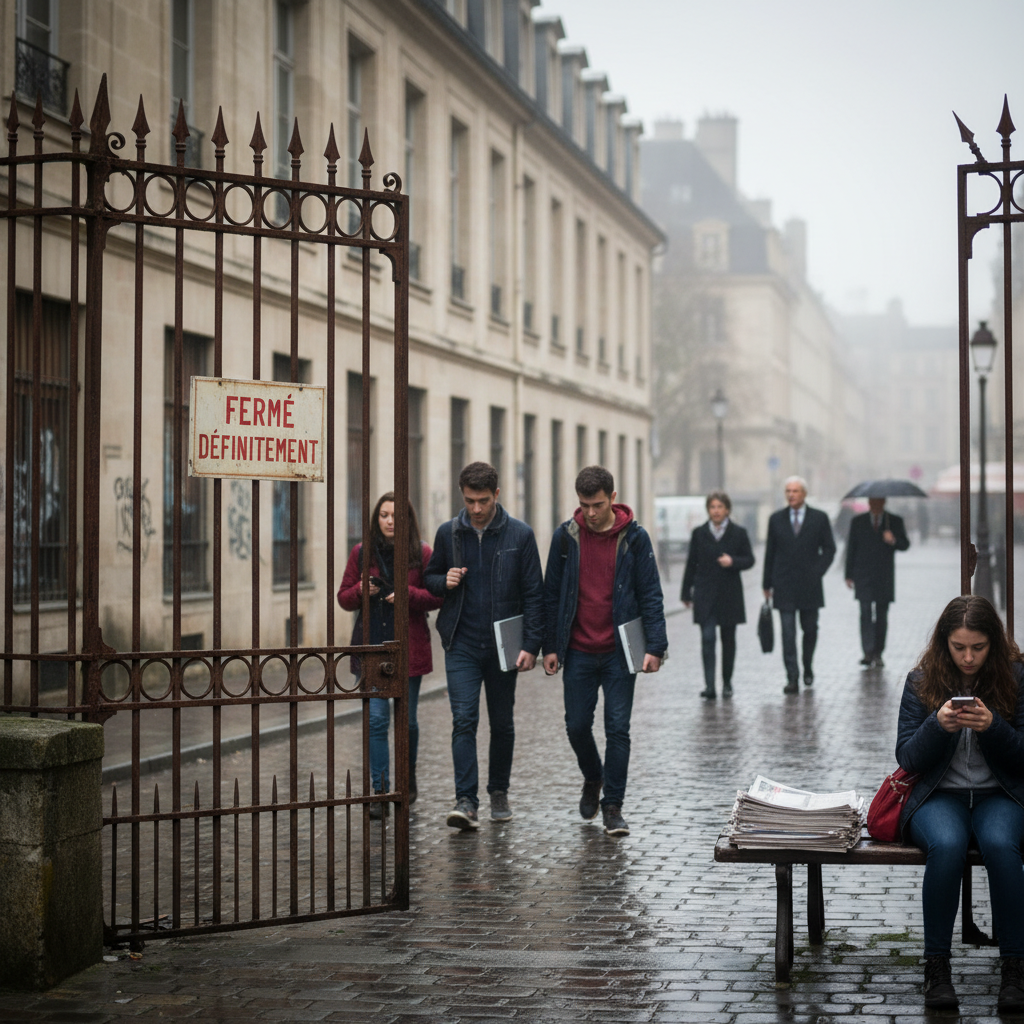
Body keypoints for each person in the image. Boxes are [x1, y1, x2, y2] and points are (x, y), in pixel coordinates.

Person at [895, 595, 1024, 1012]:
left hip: (999, 795)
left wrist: (993, 727)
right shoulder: (921, 681)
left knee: (1002, 846)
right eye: (959, 647)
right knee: (947, 845)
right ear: (944, 643)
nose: (968, 658)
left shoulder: (1016, 678)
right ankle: (937, 967)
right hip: (940, 796)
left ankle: (1015, 968)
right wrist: (937, 726)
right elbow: (907, 757)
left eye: (978, 648)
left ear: (994, 644)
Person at [542, 466, 667, 837]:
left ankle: (613, 807)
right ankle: (593, 776)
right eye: (584, 505)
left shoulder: (635, 538)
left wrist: (655, 647)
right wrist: (550, 646)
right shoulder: (566, 538)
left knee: (618, 729)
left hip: (619, 651)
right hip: (578, 650)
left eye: (597, 505)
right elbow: (551, 595)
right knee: (577, 725)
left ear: (612, 498)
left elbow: (651, 593)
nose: (591, 513)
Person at [424, 461, 543, 830]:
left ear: (497, 494)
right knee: (464, 719)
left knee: (502, 722)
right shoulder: (448, 533)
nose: (476, 509)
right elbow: (430, 578)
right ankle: (466, 801)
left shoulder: (520, 535)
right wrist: (443, 581)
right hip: (461, 640)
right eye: (470, 501)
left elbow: (534, 594)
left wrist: (531, 645)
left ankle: (499, 791)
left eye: (483, 501)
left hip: (504, 645)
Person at [337, 492, 442, 818]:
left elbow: (437, 596)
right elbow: (343, 597)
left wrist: (407, 595)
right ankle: (380, 791)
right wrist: (361, 591)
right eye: (384, 515)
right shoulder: (361, 552)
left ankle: (406, 781)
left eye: (396, 516)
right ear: (376, 518)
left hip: (409, 646)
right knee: (377, 720)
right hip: (372, 645)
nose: (389, 521)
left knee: (406, 721)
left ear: (407, 519)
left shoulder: (422, 553)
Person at [762, 476, 836, 694]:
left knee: (810, 629)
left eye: (795, 491)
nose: (791, 495)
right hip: (783, 584)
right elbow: (770, 552)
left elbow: (829, 549)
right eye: (788, 491)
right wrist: (766, 583)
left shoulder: (819, 518)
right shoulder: (776, 519)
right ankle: (792, 676)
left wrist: (818, 571)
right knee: (787, 633)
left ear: (804, 493)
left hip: (809, 585)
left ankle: (807, 665)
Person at [680, 491, 755, 699]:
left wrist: (733, 562)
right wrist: (686, 592)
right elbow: (691, 563)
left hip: (730, 595)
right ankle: (710, 686)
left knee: (728, 640)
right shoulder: (699, 533)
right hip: (705, 595)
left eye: (720, 507)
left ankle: (727, 682)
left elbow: (750, 559)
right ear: (708, 510)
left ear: (727, 510)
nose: (716, 511)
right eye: (712, 507)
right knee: (707, 638)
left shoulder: (738, 533)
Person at [844, 496, 910, 668]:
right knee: (865, 612)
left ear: (884, 502)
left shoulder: (894, 521)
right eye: (872, 501)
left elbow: (905, 544)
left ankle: (878, 652)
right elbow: (851, 548)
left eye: (878, 501)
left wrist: (893, 540)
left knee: (881, 615)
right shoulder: (858, 522)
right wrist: (848, 574)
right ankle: (867, 652)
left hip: (883, 576)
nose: (874, 504)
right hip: (863, 575)